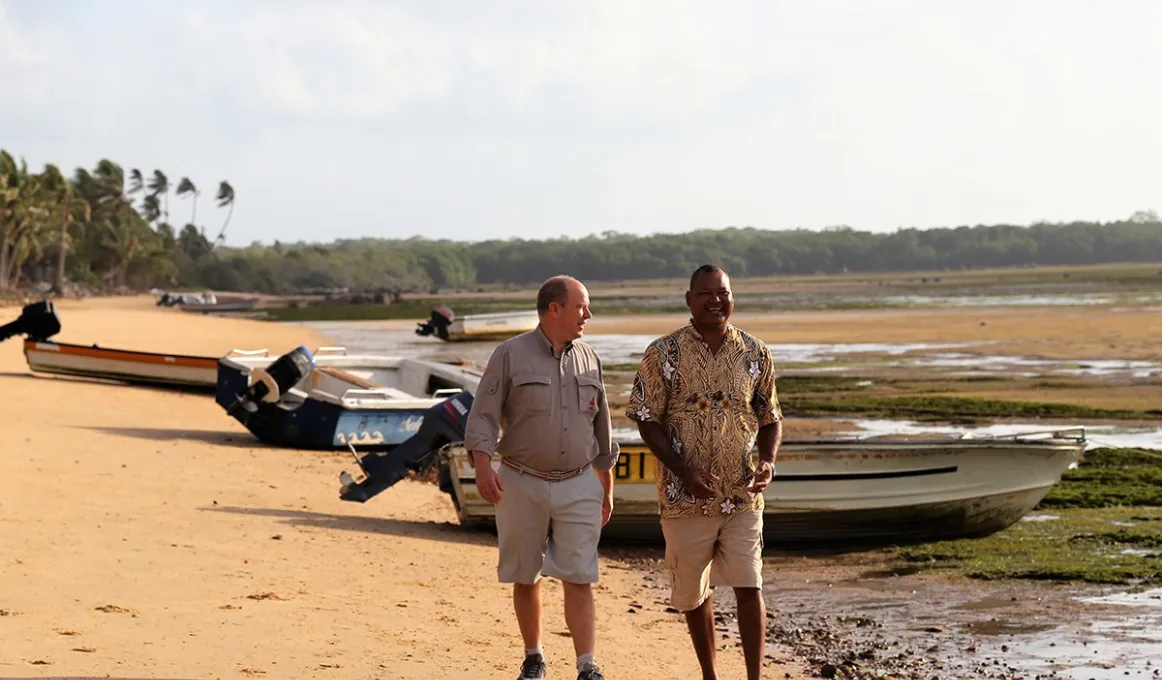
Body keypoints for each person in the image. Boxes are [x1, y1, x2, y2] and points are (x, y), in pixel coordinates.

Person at [626, 264, 783, 680]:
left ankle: (753, 676)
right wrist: (681, 468)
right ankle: (710, 676)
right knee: (695, 594)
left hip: (743, 493)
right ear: (689, 299)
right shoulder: (664, 353)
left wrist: (767, 460)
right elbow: (645, 418)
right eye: (706, 293)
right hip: (685, 497)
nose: (717, 300)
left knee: (750, 586)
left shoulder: (755, 352)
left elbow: (770, 417)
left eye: (724, 292)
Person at [464, 274, 618, 680]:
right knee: (525, 572)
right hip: (520, 480)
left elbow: (602, 429)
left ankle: (588, 665)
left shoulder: (590, 358)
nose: (588, 314)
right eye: (581, 306)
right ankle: (534, 657)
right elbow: (483, 414)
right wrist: (482, 464)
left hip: (580, 481)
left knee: (580, 573)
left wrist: (606, 487)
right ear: (555, 309)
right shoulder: (509, 354)